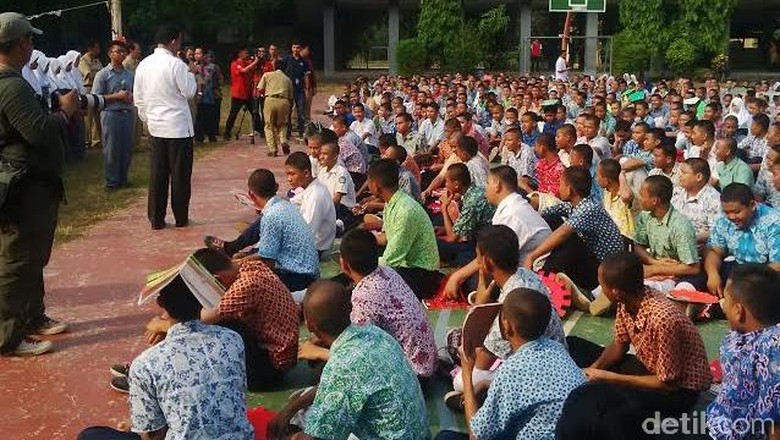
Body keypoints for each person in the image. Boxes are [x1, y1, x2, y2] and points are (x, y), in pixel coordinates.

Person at [77, 277, 254, 440]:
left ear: (160, 302)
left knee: (90, 436)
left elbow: (152, 436)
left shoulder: (146, 363)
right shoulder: (232, 339)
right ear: (201, 299)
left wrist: (136, 427)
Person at [0, 12, 77, 356]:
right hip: (24, 185)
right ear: (20, 43)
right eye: (30, 39)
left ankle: (31, 316)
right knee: (17, 259)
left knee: (31, 256)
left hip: (30, 183)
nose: (32, 45)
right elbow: (39, 132)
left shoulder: (12, 81)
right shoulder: (11, 85)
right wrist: (65, 112)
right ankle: (8, 336)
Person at [269, 280, 429, 440]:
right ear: (350, 309)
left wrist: (291, 437)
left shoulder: (342, 366)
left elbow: (317, 437)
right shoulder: (376, 334)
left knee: (304, 418)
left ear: (310, 325)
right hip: (418, 434)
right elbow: (335, 386)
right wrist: (290, 409)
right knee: (302, 400)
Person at [567, 252, 712, 418]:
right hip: (650, 369)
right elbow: (619, 344)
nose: (600, 287)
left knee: (611, 403)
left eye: (601, 284)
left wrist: (608, 377)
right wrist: (595, 369)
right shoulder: (627, 299)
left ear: (616, 292)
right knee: (573, 344)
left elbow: (668, 384)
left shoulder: (663, 320)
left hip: (678, 391)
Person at [437, 288, 585, 440]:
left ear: (507, 326)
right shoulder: (557, 349)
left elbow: (476, 437)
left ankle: (469, 403)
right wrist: (490, 384)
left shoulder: (511, 371)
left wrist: (467, 372)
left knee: (445, 437)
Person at [309, 229, 438, 377]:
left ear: (343, 264)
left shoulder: (364, 296)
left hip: (412, 375)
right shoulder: (387, 272)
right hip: (427, 363)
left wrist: (319, 352)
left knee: (322, 371)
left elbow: (358, 355)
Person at [444, 166, 551, 298]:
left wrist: (457, 276)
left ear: (497, 186)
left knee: (474, 278)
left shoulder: (510, 214)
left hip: (537, 269)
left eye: (488, 183)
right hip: (520, 259)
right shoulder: (512, 204)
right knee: (470, 264)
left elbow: (492, 255)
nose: (485, 190)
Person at [133, 25, 197, 230]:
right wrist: (192, 73)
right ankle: (180, 217)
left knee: (158, 174)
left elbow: (139, 98)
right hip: (178, 127)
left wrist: (148, 120)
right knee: (179, 176)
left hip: (156, 127)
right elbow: (188, 92)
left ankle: (156, 218)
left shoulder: (143, 65)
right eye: (178, 41)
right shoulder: (176, 64)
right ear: (173, 41)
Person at [707, 264, 780, 440]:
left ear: (738, 311)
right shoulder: (738, 334)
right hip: (720, 418)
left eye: (725, 300)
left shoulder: (772, 351)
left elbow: (776, 423)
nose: (722, 305)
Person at [525, 166, 625, 290]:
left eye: (561, 184)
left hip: (605, 269)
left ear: (569, 190)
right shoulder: (574, 206)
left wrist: (532, 256)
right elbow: (547, 212)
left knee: (569, 240)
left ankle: (543, 282)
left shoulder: (588, 209)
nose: (558, 188)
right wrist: (526, 203)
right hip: (593, 262)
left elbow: (563, 233)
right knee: (553, 219)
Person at [369, 159, 441, 299]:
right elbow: (385, 238)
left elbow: (391, 259)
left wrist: (361, 265)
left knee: (370, 284)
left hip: (422, 274)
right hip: (404, 264)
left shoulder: (405, 210)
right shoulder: (391, 203)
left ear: (375, 186)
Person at [249, 169, 320, 291]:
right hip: (308, 271)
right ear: (276, 187)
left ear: (251, 195)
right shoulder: (285, 205)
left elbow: (268, 262)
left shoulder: (271, 215)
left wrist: (241, 262)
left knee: (247, 278)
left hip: (298, 278)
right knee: (247, 259)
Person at [704, 183, 780, 296]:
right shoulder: (723, 219)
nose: (731, 217)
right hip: (737, 269)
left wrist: (738, 281)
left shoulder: (773, 222)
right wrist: (713, 274)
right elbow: (715, 251)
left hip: (767, 276)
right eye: (727, 212)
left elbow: (777, 266)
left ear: (752, 205)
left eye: (736, 212)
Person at [634, 175, 701, 283]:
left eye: (642, 195)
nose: (639, 198)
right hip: (653, 271)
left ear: (654, 200)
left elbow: (693, 268)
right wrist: (654, 262)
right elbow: (637, 246)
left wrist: (655, 269)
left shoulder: (680, 225)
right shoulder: (645, 216)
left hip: (676, 278)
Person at [91, 40, 135, 191]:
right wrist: (117, 96)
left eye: (124, 51)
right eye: (118, 51)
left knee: (126, 148)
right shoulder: (103, 75)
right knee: (112, 148)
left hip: (127, 113)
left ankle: (123, 178)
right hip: (111, 113)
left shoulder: (129, 74)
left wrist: (131, 97)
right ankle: (112, 181)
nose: (121, 54)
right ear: (110, 53)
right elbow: (96, 98)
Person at [436, 163, 495, 267]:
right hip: (480, 238)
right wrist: (444, 229)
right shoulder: (475, 191)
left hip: (483, 245)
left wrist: (444, 208)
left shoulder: (472, 202)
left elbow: (451, 238)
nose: (445, 185)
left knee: (437, 245)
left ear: (456, 184)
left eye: (447, 181)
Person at [285, 152, 336, 254]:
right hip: (308, 240)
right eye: (287, 174)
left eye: (292, 174)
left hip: (314, 249)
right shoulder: (310, 188)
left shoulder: (316, 194)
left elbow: (307, 232)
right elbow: (291, 203)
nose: (289, 179)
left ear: (306, 173)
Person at [671, 158, 721, 245]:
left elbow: (717, 231)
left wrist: (691, 238)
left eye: (684, 173)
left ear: (699, 177)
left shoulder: (713, 199)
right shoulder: (676, 192)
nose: (680, 175)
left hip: (698, 247)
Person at [256, 59, 293, 157]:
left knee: (269, 125)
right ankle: (283, 140)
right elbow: (290, 96)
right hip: (284, 101)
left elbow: (259, 88)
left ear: (274, 66)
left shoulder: (267, 75)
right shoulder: (287, 79)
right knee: (282, 124)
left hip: (270, 99)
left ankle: (273, 149)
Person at [223, 48, 259, 141]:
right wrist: (255, 62)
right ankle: (227, 132)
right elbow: (244, 71)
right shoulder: (235, 64)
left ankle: (261, 130)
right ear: (240, 54)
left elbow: (253, 70)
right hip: (238, 94)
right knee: (233, 114)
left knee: (254, 113)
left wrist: (256, 61)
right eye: (245, 53)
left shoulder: (248, 63)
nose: (247, 55)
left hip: (248, 94)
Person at [596, 158, 635, 241]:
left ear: (606, 180)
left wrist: (621, 174)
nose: (597, 179)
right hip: (612, 240)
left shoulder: (625, 192)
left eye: (598, 176)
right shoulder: (607, 192)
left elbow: (626, 196)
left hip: (628, 242)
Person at [283, 41, 310, 140]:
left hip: (299, 90)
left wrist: (307, 89)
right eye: (294, 47)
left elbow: (306, 75)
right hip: (288, 89)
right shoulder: (286, 59)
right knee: (287, 111)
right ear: (291, 48)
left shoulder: (304, 61)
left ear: (301, 49)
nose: (296, 50)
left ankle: (301, 131)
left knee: (301, 111)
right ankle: (287, 132)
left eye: (298, 48)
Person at [78, 40, 102, 149]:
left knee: (97, 115)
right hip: (87, 89)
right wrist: (97, 75)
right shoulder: (83, 61)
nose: (98, 50)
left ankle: (96, 140)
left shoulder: (97, 61)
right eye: (96, 48)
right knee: (88, 117)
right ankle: (87, 140)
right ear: (90, 49)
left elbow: (101, 73)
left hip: (96, 90)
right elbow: (88, 74)